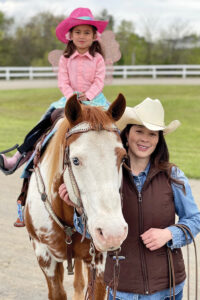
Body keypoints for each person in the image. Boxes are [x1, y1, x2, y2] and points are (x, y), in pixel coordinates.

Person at [58, 98, 200, 299]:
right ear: (127, 134)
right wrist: (79, 210)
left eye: (152, 134)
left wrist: (169, 234)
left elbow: (194, 219)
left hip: (167, 287)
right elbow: (90, 234)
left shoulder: (173, 176)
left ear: (159, 139)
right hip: (121, 287)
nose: (145, 139)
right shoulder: (108, 177)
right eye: (139, 131)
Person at [0, 7, 109, 176]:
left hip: (95, 99)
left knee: (114, 126)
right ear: (70, 35)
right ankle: (17, 158)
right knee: (45, 123)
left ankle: (125, 166)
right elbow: (63, 82)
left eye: (87, 33)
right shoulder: (65, 59)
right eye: (77, 32)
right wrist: (72, 96)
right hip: (68, 99)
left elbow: (99, 81)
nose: (82, 36)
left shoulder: (98, 59)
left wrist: (88, 95)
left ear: (94, 36)